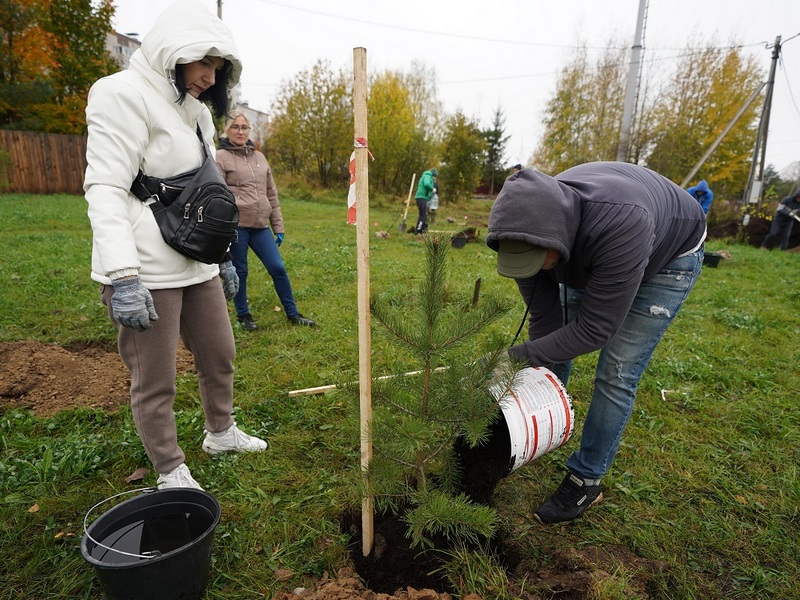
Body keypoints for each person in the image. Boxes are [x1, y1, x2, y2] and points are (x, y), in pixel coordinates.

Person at [83, 0, 267, 491]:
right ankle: (168, 468)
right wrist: (123, 277)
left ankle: (220, 432)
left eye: (218, 67)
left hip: (196, 262)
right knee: (156, 377)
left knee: (219, 352)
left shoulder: (196, 112)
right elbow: (104, 188)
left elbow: (207, 192)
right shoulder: (119, 94)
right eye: (203, 62)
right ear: (172, 49)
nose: (210, 76)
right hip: (144, 268)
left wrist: (223, 257)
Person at [486, 162, 706, 524]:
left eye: (538, 261)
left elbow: (595, 329)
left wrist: (514, 357)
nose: (535, 269)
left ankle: (586, 479)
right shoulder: (526, 229)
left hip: (668, 252)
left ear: (553, 237)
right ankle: (541, 427)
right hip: (590, 248)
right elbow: (546, 322)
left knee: (617, 370)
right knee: (551, 341)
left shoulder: (621, 224)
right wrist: (529, 372)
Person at [215, 113, 317, 331]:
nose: (241, 131)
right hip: (237, 226)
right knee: (240, 272)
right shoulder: (220, 157)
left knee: (278, 268)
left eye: (245, 127)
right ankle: (243, 316)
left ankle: (293, 314)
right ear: (227, 130)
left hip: (261, 226)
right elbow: (218, 194)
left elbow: (271, 193)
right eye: (235, 127)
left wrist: (277, 226)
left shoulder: (260, 158)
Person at [414, 168, 438, 234]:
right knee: (423, 214)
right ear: (433, 175)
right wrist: (432, 189)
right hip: (422, 197)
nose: (435, 179)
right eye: (435, 177)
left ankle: (423, 229)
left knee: (425, 214)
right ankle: (418, 230)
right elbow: (426, 184)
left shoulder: (428, 177)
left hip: (425, 198)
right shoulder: (427, 176)